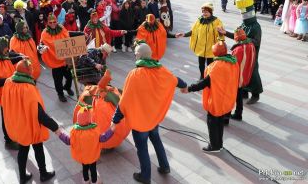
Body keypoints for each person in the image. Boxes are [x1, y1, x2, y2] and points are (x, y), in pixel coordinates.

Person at [112, 43, 187, 184]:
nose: (135, 55)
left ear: (139, 55)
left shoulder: (134, 74)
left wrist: (114, 121)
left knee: (142, 149)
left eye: (136, 53)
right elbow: (175, 79)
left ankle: (145, 176)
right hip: (153, 119)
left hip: (140, 122)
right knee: (156, 140)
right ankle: (165, 167)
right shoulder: (161, 69)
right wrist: (185, 86)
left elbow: (124, 101)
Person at [1, 59, 58, 184]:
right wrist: (56, 128)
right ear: (27, 71)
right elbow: (39, 114)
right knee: (38, 148)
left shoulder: (8, 82)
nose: (33, 71)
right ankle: (43, 174)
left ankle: (22, 177)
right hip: (30, 125)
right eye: (31, 69)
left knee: (23, 150)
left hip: (18, 123)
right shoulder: (28, 88)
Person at [185, 40, 239, 152]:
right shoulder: (233, 62)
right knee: (220, 123)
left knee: (213, 123)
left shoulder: (216, 67)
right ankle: (219, 144)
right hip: (226, 99)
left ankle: (214, 146)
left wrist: (189, 88)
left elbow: (205, 82)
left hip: (216, 100)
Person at [218, 0, 263, 105]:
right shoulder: (243, 24)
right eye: (242, 14)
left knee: (253, 73)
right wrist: (225, 33)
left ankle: (256, 94)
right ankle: (244, 92)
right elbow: (236, 36)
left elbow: (256, 41)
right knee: (242, 72)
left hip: (251, 55)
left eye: (245, 14)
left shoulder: (256, 26)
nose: (243, 16)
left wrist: (245, 39)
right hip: (241, 54)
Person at [0, 36, 24, 150]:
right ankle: (9, 140)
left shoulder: (0, 55)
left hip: (10, 93)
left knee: (12, 116)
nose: (8, 51)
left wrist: (20, 57)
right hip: (3, 96)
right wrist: (9, 80)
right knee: (7, 118)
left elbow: (9, 58)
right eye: (6, 49)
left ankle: (14, 135)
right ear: (1, 48)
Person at [57, 107, 114, 184]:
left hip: (83, 157)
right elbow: (103, 138)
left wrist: (60, 134)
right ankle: (94, 181)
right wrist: (111, 130)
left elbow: (68, 140)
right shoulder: (94, 131)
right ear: (89, 120)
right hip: (92, 156)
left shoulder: (75, 132)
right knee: (93, 169)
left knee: (84, 168)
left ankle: (86, 180)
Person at [176, 3, 223, 79]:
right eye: (203, 12)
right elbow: (193, 32)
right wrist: (183, 34)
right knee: (201, 65)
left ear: (210, 12)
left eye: (206, 12)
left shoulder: (217, 21)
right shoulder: (199, 20)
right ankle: (202, 76)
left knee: (210, 65)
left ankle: (208, 79)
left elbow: (221, 33)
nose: (204, 14)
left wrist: (221, 43)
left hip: (211, 48)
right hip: (201, 48)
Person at [39, 13, 74, 102]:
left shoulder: (61, 28)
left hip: (64, 59)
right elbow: (42, 44)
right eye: (50, 22)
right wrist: (41, 48)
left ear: (56, 21)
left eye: (54, 22)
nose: (52, 24)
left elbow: (67, 37)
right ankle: (60, 94)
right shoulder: (45, 33)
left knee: (69, 77)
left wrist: (80, 34)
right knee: (58, 80)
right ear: (47, 23)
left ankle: (67, 87)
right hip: (54, 60)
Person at [227, 28, 256, 122]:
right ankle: (238, 113)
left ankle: (230, 115)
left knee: (232, 96)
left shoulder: (238, 49)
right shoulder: (250, 45)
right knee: (239, 94)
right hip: (245, 75)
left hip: (236, 77)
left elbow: (232, 64)